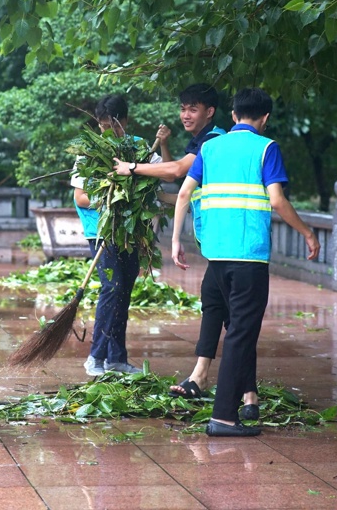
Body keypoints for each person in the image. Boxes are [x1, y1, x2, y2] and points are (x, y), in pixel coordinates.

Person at [171, 88, 320, 436]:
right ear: (265, 118)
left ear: (234, 115)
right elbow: (278, 201)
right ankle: (223, 416)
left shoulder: (209, 147)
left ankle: (244, 400)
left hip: (216, 255)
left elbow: (183, 193)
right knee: (240, 333)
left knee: (238, 329)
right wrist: (307, 233)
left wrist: (177, 239)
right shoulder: (266, 148)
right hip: (249, 256)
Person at [111, 84, 237, 403]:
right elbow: (179, 191)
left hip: (232, 240)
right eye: (182, 108)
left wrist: (132, 169)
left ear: (210, 112)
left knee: (232, 314)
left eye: (192, 109)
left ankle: (239, 388)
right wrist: (146, 199)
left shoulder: (213, 140)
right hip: (217, 242)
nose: (185, 114)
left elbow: (178, 172)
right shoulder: (201, 139)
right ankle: (207, 377)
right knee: (216, 306)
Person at [73, 94, 160, 377]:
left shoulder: (140, 147)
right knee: (111, 288)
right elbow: (81, 197)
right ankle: (95, 358)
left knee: (124, 290)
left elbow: (161, 174)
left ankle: (117, 358)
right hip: (101, 230)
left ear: (125, 121)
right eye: (102, 128)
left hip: (130, 230)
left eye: (113, 128)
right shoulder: (89, 151)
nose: (107, 134)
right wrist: (111, 197)